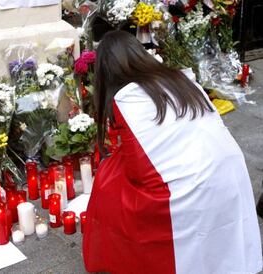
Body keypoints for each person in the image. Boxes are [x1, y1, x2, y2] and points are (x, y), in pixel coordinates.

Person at [82, 30, 262, 274]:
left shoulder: (128, 100)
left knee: (109, 182)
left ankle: (122, 257)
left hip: (192, 185)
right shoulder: (180, 78)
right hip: (229, 171)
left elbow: (139, 171)